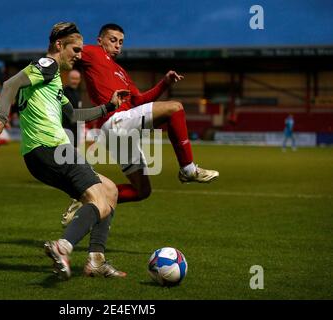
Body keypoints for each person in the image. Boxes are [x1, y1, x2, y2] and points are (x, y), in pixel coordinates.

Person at [0, 22, 128, 279]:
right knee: (99, 200)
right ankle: (63, 246)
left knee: (110, 190)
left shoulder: (52, 81)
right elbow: (8, 85)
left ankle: (95, 260)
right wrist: (2, 117)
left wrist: (108, 106)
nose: (79, 56)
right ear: (59, 46)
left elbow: (73, 113)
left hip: (38, 156)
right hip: (51, 147)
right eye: (76, 50)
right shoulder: (47, 66)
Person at [62, 23, 219, 225]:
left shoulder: (121, 72)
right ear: (100, 40)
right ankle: (188, 170)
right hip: (116, 122)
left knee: (142, 191)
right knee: (175, 108)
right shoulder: (92, 53)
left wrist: (165, 83)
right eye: (112, 40)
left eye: (121, 42)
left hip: (119, 132)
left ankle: (87, 197)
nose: (117, 45)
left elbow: (138, 101)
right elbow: (70, 51)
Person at [63, 69, 84, 148]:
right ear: (68, 79)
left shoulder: (77, 93)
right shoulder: (63, 92)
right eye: (73, 78)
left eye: (77, 79)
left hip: (75, 129)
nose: (74, 81)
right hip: (65, 128)